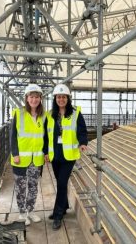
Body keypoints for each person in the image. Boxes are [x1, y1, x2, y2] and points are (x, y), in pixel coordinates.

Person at [43, 83, 88, 230]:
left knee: (62, 183)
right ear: (55, 98)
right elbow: (46, 135)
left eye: (64, 97)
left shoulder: (75, 113)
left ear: (68, 99)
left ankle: (57, 215)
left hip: (69, 156)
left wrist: (82, 142)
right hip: (55, 155)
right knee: (60, 183)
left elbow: (82, 130)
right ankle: (64, 205)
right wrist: (45, 152)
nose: (61, 99)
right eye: (58, 97)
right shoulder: (50, 115)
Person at [10, 83, 46, 226]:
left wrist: (45, 153)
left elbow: (46, 137)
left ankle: (30, 211)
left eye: (37, 97)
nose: (34, 100)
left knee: (33, 187)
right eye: (31, 97)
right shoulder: (18, 113)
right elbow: (12, 136)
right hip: (21, 158)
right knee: (20, 187)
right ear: (27, 98)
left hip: (36, 159)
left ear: (40, 99)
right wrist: (15, 154)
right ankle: (22, 213)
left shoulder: (43, 116)